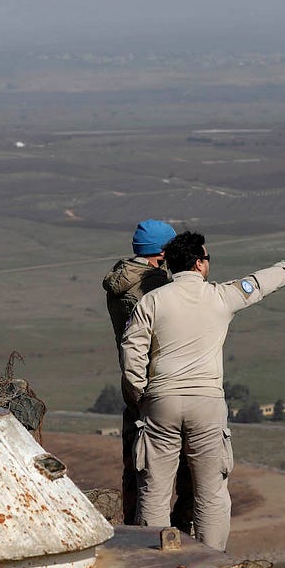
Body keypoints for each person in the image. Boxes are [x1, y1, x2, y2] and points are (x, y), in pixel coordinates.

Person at [122, 231, 285, 550]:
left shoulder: (152, 301)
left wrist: (139, 394)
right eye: (207, 258)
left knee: (154, 489)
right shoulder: (220, 296)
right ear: (199, 264)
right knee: (210, 491)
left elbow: (132, 349)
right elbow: (256, 284)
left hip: (161, 401)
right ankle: (210, 559)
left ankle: (153, 559)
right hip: (207, 405)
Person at [102, 219, 193, 530]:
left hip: (134, 387)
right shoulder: (152, 288)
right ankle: (176, 538)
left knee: (137, 470)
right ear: (163, 253)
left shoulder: (122, 278)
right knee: (176, 472)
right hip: (161, 388)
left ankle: (135, 534)